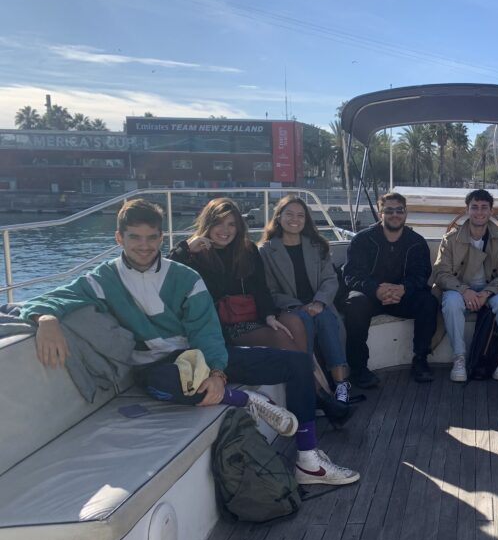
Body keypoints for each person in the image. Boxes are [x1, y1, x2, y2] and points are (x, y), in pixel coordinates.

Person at [22, 199, 359, 487]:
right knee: (166, 380)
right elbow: (46, 299)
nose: (144, 245)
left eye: (152, 237)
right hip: (157, 367)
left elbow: (207, 330)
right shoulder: (103, 279)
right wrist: (46, 319)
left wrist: (217, 372)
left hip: (202, 357)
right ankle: (242, 398)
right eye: (134, 238)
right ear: (119, 238)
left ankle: (307, 459)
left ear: (161, 237)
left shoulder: (184, 278)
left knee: (297, 363)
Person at [170, 198, 350, 425]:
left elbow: (262, 290)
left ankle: (315, 394)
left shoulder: (247, 251)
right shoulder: (193, 255)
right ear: (208, 223)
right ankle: (318, 395)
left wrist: (269, 316)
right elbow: (166, 278)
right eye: (219, 223)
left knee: (295, 322)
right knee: (282, 337)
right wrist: (185, 248)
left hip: (254, 316)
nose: (225, 231)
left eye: (232, 224)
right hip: (225, 326)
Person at [259, 195, 352, 402]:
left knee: (326, 319)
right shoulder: (266, 252)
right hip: (291, 308)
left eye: (300, 215)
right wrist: (299, 306)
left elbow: (330, 279)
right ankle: (311, 386)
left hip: (320, 304)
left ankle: (341, 386)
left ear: (306, 220)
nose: (295, 219)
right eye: (289, 214)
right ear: (279, 217)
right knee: (305, 322)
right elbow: (269, 291)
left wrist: (319, 302)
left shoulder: (317, 246)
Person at [339, 191, 438, 386]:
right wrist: (375, 289)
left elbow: (421, 273)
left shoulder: (416, 242)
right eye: (389, 210)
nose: (395, 214)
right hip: (370, 296)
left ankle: (420, 360)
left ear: (406, 213)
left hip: (403, 296)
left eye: (399, 210)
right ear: (380, 213)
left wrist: (403, 288)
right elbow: (351, 274)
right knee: (355, 304)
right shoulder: (362, 240)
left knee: (428, 302)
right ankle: (359, 369)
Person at [432, 189, 498, 382]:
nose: (479, 212)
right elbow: (441, 272)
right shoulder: (451, 239)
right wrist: (464, 291)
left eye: (484, 207)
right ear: (467, 210)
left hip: (490, 288)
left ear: (491, 211)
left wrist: (486, 292)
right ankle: (459, 358)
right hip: (459, 289)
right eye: (474, 207)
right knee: (451, 303)